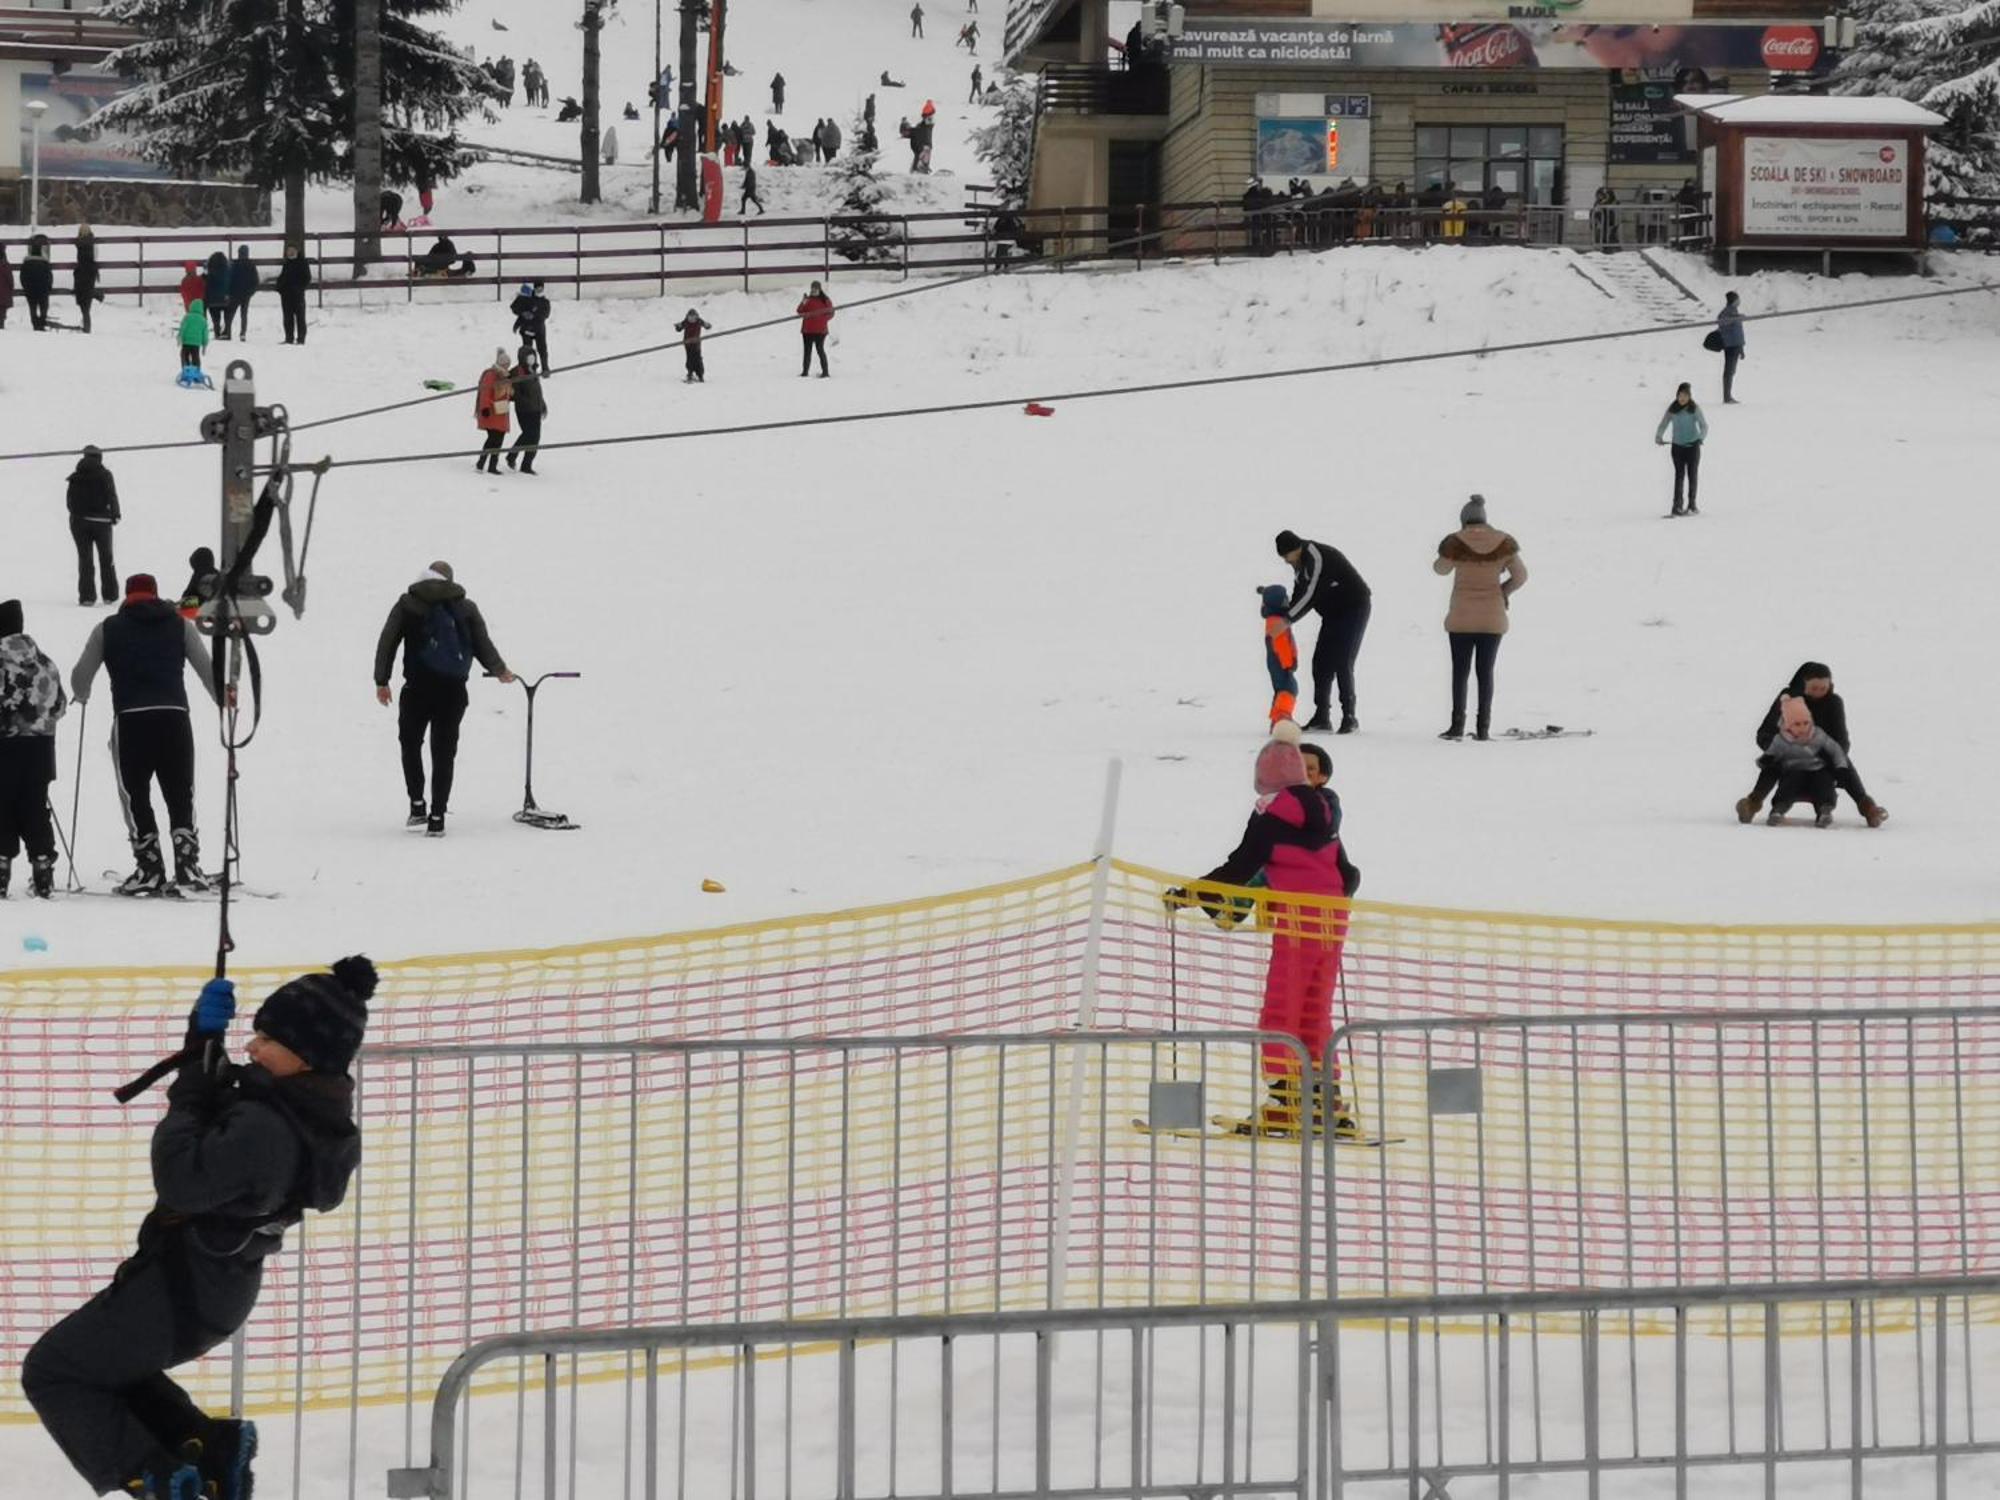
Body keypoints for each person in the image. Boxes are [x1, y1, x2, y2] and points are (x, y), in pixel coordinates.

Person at [24, 956, 372, 1500]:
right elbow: (226, 1127)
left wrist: (189, 1091)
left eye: (268, 1038)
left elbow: (181, 1179)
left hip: (179, 1291)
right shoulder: (302, 1115)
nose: (253, 1046)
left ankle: (166, 1483)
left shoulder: (269, 1127)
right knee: (109, 1372)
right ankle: (211, 1454)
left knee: (54, 1370)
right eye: (255, 1032)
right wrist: (201, 1041)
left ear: (306, 1058)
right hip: (212, 1289)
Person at [1164, 723, 1361, 1139]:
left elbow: (1239, 867)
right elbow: (1348, 872)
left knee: (1281, 1008)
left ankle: (1284, 1100)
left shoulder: (1270, 817)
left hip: (1297, 921)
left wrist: (1188, 895)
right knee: (1314, 1007)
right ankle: (1328, 1101)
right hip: (1332, 920)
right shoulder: (1327, 815)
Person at [69, 573, 219, 893]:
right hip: (174, 718)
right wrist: (225, 700)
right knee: (180, 792)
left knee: (135, 795)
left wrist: (81, 694)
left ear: (126, 596)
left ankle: (149, 867)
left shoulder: (106, 629)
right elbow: (208, 671)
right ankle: (188, 864)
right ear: (155, 594)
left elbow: (81, 676)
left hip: (131, 722)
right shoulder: (180, 624)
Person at [373, 561, 514, 836]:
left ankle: (417, 805)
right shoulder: (465, 607)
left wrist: (382, 680)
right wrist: (500, 670)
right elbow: (482, 644)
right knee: (444, 751)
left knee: (411, 743)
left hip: (417, 688)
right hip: (453, 690)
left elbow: (387, 641)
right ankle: (437, 817)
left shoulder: (408, 604)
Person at [1734, 663, 1885, 826]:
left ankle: (1867, 807)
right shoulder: (1788, 700)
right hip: (1788, 751)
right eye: (1814, 688)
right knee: (1772, 762)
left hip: (1822, 754)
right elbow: (1765, 733)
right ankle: (1752, 803)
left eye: (1823, 688)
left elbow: (1841, 739)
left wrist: (1826, 754)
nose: (1819, 693)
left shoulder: (1833, 703)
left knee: (1843, 762)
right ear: (1803, 684)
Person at [1432, 495, 1526, 742]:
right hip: (1492, 618)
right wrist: (1503, 591)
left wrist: (1446, 554)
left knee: (1460, 672)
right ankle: (1483, 728)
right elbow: (1521, 576)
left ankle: (1456, 726)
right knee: (1486, 673)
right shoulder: (1503, 542)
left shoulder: (1455, 542)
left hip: (1461, 618)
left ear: (1464, 519)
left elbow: (1440, 569)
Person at [1273, 529, 1372, 734]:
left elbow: (1312, 593)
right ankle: (1322, 716)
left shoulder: (1318, 556)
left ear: (1295, 548)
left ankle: (1349, 716)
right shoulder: (1299, 563)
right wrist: (1287, 612)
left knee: (1343, 661)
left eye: (1286, 556)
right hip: (1333, 614)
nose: (1285, 561)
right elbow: (1300, 591)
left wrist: (1288, 619)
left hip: (1354, 608)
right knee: (1321, 661)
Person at [0, 599, 67, 900]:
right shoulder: (45, 662)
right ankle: (42, 867)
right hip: (41, 748)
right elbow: (59, 706)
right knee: (35, 806)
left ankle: (1, 867)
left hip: (4, 745)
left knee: (3, 805)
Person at [1756, 696, 1885, 829]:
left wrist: (1840, 766)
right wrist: (1766, 760)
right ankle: (1778, 810)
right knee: (1788, 785)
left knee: (1824, 783)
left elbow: (1835, 750)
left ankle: (1824, 810)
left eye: (1806, 723)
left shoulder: (1818, 735)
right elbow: (1771, 753)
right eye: (1797, 724)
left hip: (1818, 769)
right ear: (1787, 725)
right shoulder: (1781, 739)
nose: (1802, 728)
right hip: (1794, 771)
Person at [66, 445, 121, 607]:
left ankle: (87, 597)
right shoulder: (105, 475)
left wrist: (77, 517)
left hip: (79, 522)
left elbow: (69, 501)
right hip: (102, 523)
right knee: (106, 558)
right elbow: (112, 495)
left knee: (85, 559)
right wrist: (116, 514)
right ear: (99, 457)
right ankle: (110, 595)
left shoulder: (75, 476)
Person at [1652, 382, 1708, 516]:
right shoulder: (1673, 409)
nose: (1682, 398)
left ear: (1689, 396)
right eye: (1679, 395)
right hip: (1677, 448)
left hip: (1693, 447)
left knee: (1692, 476)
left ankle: (1692, 505)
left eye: (1685, 395)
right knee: (1679, 476)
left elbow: (1704, 426)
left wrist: (1700, 438)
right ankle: (1677, 506)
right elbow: (1663, 423)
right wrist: (1658, 436)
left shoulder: (1694, 408)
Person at [1258, 585, 1299, 727]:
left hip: (1275, 661)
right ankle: (1282, 717)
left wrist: (1264, 591)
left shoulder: (1272, 618)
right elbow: (1282, 646)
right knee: (1289, 688)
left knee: (1280, 689)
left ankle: (1277, 717)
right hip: (1280, 662)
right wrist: (1289, 663)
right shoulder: (1277, 623)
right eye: (1285, 598)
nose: (1288, 600)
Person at [473, 349, 513, 474]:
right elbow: (485, 392)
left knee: (498, 440)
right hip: (491, 412)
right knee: (493, 440)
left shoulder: (506, 376)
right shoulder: (491, 374)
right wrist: (484, 407)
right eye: (506, 363)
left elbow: (507, 394)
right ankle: (482, 463)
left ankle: (491, 465)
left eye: (508, 364)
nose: (507, 366)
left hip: (500, 412)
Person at [505, 352, 545, 475]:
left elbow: (537, 390)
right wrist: (525, 401)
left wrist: (542, 404)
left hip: (536, 409)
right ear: (523, 358)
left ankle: (526, 465)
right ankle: (512, 455)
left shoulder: (533, 371)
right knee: (528, 435)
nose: (532, 360)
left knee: (535, 437)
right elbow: (514, 393)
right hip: (524, 410)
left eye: (533, 358)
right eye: (529, 358)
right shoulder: (518, 372)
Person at [509, 279, 551, 373]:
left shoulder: (545, 301)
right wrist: (522, 315)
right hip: (526, 329)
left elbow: (546, 314)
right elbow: (515, 308)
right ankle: (529, 370)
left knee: (542, 349)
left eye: (541, 289)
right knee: (527, 351)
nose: (539, 291)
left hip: (539, 330)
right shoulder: (527, 298)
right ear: (534, 289)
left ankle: (545, 368)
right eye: (537, 289)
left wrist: (534, 315)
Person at [276, 243, 312, 345]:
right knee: (287, 318)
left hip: (298, 295)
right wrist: (279, 288)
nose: (290, 252)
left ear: (297, 251)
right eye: (288, 250)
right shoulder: (286, 263)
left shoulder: (302, 262)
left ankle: (301, 339)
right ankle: (289, 338)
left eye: (292, 250)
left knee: (300, 317)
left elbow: (307, 278)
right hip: (286, 295)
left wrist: (299, 288)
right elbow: (282, 277)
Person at [797, 281, 834, 377]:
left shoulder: (825, 300)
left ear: (819, 289)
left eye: (815, 289)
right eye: (812, 289)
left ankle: (825, 372)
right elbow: (800, 311)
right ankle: (805, 372)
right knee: (807, 351)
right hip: (807, 330)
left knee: (820, 350)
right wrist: (803, 302)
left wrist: (821, 319)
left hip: (820, 331)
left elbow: (831, 313)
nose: (813, 291)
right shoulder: (807, 300)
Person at [1716, 290, 1745, 403]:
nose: (1739, 301)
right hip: (1731, 345)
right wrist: (1735, 318)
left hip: (1736, 345)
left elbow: (1739, 332)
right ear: (1734, 300)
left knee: (1731, 371)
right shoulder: (1727, 312)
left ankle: (1728, 396)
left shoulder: (1734, 311)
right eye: (1738, 299)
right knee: (1728, 371)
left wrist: (1742, 348)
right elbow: (1721, 322)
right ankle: (1727, 397)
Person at [227, 245, 260, 341]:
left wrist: (229, 291)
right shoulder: (251, 265)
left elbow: (229, 278)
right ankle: (242, 333)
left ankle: (229, 332)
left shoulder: (235, 264)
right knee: (243, 314)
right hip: (244, 294)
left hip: (236, 293)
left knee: (231, 313)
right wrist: (251, 292)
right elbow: (255, 281)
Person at [20, 236, 53, 331]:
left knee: (32, 307)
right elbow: (49, 276)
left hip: (30, 289)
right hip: (43, 289)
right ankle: (42, 323)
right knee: (44, 307)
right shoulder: (45, 263)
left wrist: (25, 286)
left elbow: (22, 277)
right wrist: (49, 287)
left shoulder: (26, 263)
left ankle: (35, 324)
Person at [179, 547, 220, 619]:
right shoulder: (217, 575)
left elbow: (187, 601)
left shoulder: (199, 575)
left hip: (201, 614)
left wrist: (178, 605)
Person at [73, 224, 100, 334]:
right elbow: (96, 256)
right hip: (90, 271)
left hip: (81, 271)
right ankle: (86, 323)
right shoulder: (93, 243)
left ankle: (86, 323)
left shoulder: (78, 243)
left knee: (81, 297)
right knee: (87, 297)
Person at [675, 307, 712, 382]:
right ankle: (690, 373)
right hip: (688, 344)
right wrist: (678, 327)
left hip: (696, 344)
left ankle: (700, 374)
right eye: (690, 317)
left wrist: (708, 325)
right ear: (687, 317)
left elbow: (706, 326)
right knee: (689, 359)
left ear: (696, 317)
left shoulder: (699, 321)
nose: (691, 319)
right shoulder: (686, 322)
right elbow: (679, 328)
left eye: (693, 317)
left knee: (697, 359)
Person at [179, 297, 211, 376]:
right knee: (195, 357)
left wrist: (180, 337)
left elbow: (183, 328)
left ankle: (186, 370)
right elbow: (205, 334)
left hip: (186, 342)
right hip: (196, 344)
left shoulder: (187, 317)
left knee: (184, 355)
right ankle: (196, 371)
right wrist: (204, 345)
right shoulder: (203, 320)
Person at [204, 252, 231, 339]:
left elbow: (206, 284)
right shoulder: (228, 272)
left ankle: (217, 332)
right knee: (227, 316)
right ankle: (227, 331)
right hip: (225, 299)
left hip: (212, 300)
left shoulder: (210, 272)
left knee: (216, 318)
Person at [0, 242, 13, 328]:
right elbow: (9, 278)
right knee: (2, 309)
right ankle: (1, 324)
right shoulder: (4, 263)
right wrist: (11, 287)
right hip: (3, 290)